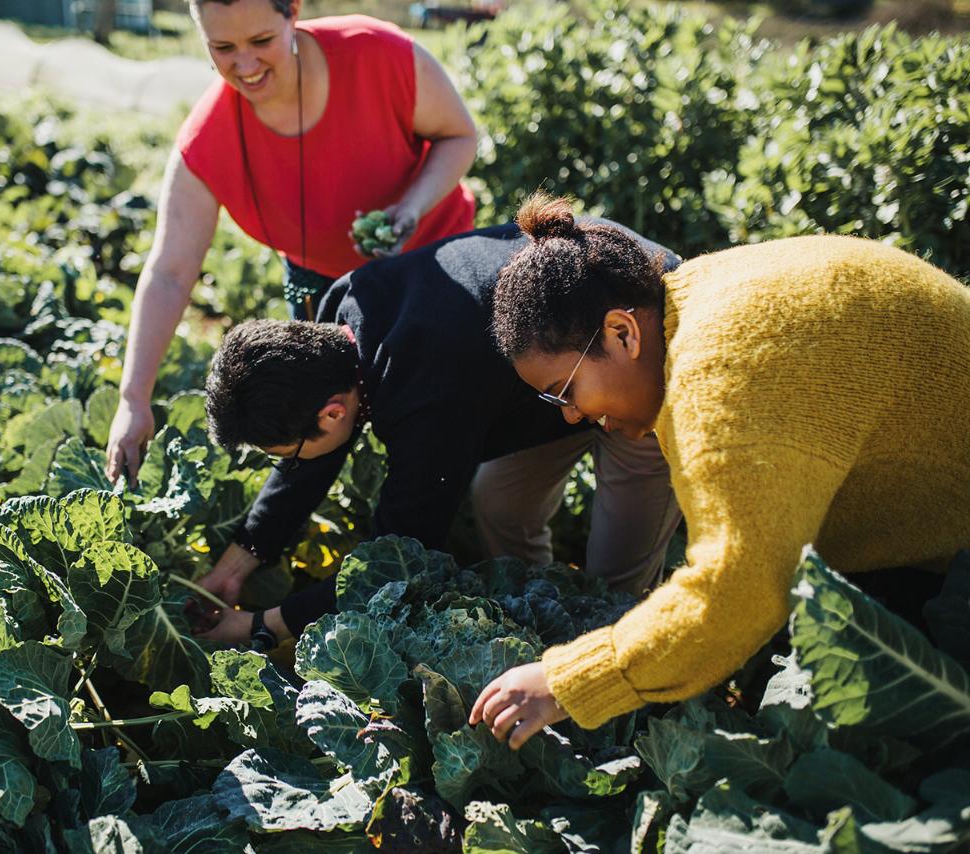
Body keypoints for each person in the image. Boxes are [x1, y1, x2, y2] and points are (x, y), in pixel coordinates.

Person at [468, 194, 970, 749]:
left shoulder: (719, 379)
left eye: (566, 389)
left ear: (622, 333)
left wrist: (564, 683)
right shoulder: (694, 302)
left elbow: (737, 592)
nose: (570, 415)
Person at [191, 219, 685, 646]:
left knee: (614, 578)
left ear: (333, 413)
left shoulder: (426, 396)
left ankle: (618, 656)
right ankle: (549, 626)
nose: (293, 463)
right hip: (542, 382)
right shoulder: (339, 318)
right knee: (500, 504)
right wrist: (235, 568)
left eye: (290, 452)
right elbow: (310, 459)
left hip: (620, 353)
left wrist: (263, 624)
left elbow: (398, 553)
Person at [104, 0, 478, 485]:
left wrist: (411, 207)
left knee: (434, 419)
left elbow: (459, 135)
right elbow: (170, 273)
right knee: (318, 423)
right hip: (321, 283)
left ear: (293, 12)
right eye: (222, 47)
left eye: (261, 42)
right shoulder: (207, 142)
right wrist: (133, 399)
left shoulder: (377, 55)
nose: (245, 65)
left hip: (434, 262)